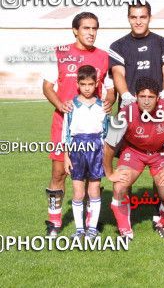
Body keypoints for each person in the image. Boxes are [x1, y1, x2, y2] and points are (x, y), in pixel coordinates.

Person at [42, 12, 114, 236]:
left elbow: (110, 90)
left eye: (94, 29)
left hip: (92, 129)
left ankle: (90, 225)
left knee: (94, 176)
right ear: (75, 30)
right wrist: (60, 104)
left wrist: (109, 102)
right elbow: (47, 87)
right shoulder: (59, 53)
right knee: (58, 174)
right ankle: (54, 222)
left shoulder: (104, 57)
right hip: (63, 125)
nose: (91, 33)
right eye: (86, 28)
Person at [103, 77, 164, 240]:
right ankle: (125, 230)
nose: (146, 101)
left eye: (151, 97)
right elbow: (109, 145)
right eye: (142, 97)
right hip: (134, 152)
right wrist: (110, 173)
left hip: (160, 152)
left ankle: (163, 222)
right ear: (136, 97)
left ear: (158, 98)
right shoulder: (125, 113)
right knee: (119, 188)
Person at [62, 65, 109, 240]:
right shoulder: (71, 106)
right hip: (77, 148)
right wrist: (66, 156)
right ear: (77, 84)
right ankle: (79, 229)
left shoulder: (102, 106)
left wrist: (106, 155)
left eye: (90, 84)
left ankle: (92, 229)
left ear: (96, 83)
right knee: (78, 192)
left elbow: (106, 132)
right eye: (83, 84)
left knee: (94, 189)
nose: (87, 88)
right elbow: (66, 133)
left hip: (96, 148)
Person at [109, 1, 164, 108]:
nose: (138, 22)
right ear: (128, 18)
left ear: (150, 18)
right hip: (130, 106)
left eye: (143, 17)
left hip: (157, 106)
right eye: (134, 17)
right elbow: (118, 73)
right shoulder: (117, 46)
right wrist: (125, 95)